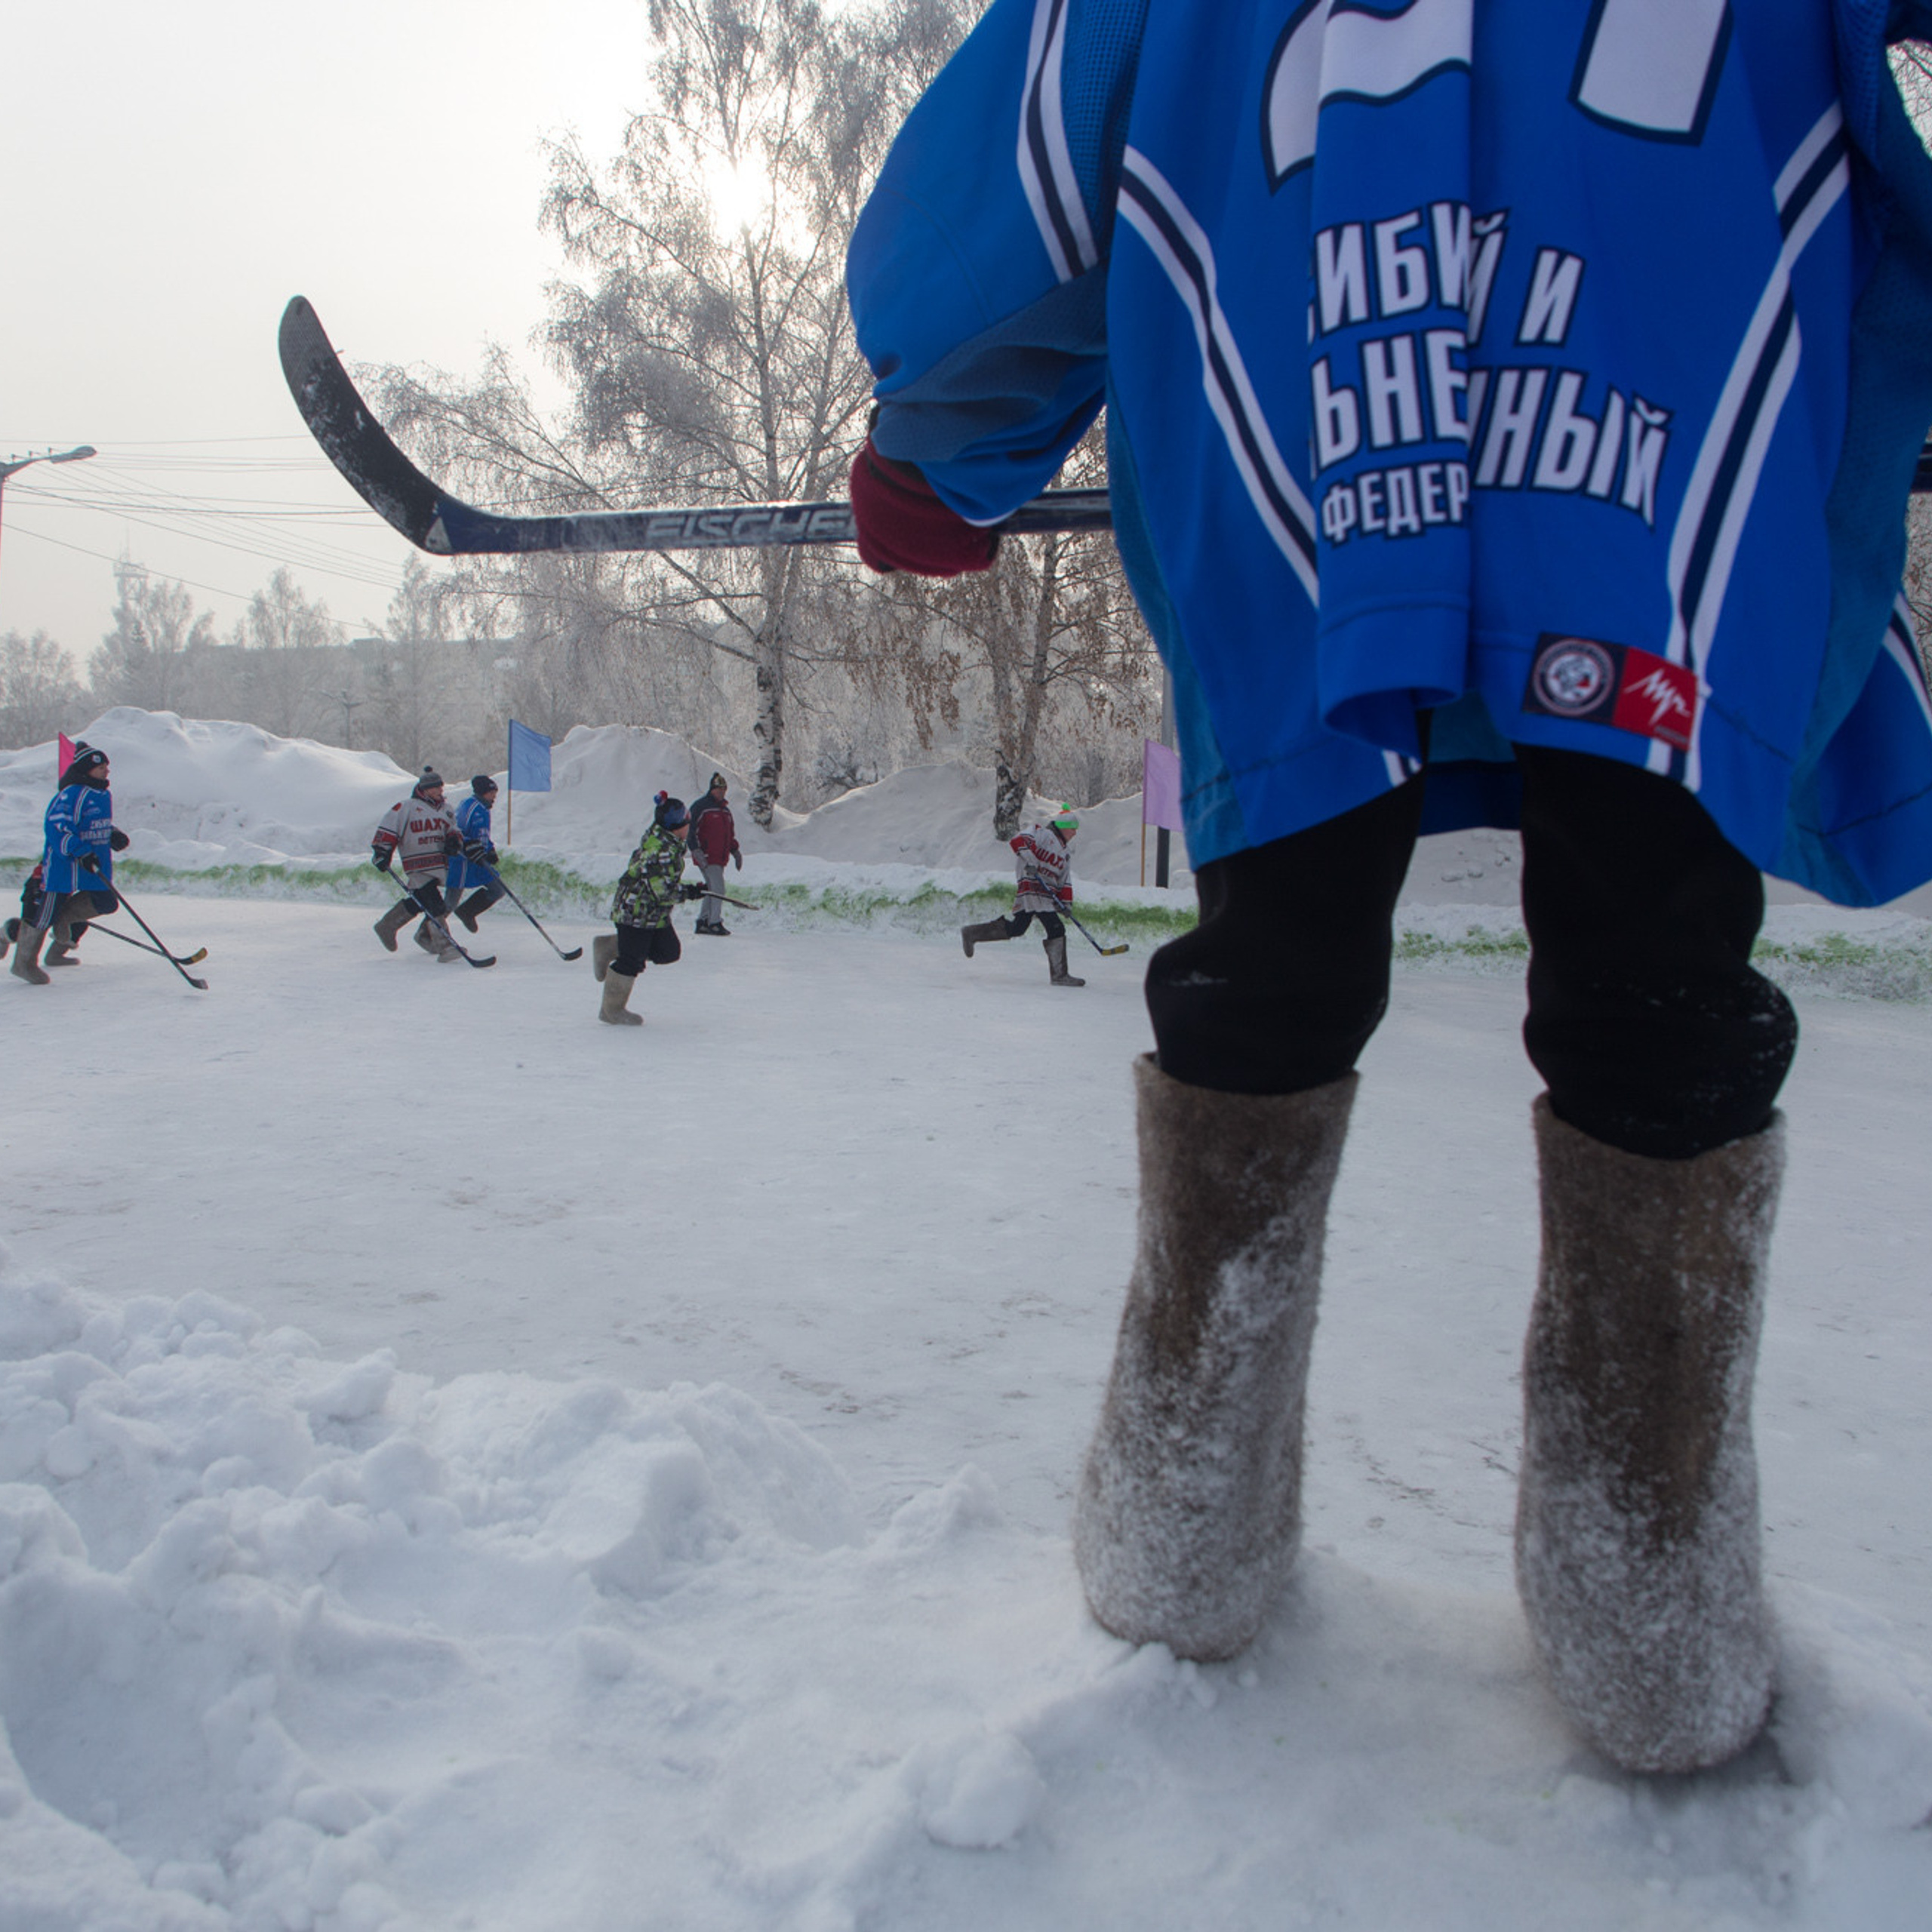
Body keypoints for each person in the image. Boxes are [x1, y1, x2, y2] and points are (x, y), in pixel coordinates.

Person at [842, 2, 1932, 1774]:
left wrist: (943, 447)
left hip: (1309, 411)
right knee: (1654, 973)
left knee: (1269, 951)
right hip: (1659, 432)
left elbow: (1022, 180)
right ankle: (1644, 1595)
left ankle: (1181, 1519)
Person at [12, 745, 126, 986]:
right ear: (86, 769)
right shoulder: (72, 794)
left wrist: (112, 834)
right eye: (101, 767)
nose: (106, 771)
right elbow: (58, 828)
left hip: (93, 862)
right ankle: (24, 963)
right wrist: (80, 851)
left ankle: (62, 926)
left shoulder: (102, 794)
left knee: (105, 901)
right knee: (44, 916)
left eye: (106, 766)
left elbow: (92, 823)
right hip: (65, 866)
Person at [590, 791, 706, 1025]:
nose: (689, 827)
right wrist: (689, 893)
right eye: (687, 823)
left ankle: (610, 946)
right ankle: (612, 1010)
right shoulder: (662, 851)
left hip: (653, 913)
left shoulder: (667, 842)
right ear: (677, 826)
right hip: (635, 911)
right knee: (631, 961)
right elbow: (662, 892)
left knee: (668, 951)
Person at [960, 808, 1086, 987]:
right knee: (1056, 929)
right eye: (1073, 828)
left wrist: (1065, 904)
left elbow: (1064, 880)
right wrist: (1032, 861)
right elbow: (1018, 841)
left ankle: (972, 933)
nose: (1075, 833)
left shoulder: (1065, 853)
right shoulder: (1041, 833)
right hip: (1032, 888)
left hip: (1044, 893)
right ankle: (1059, 975)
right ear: (1064, 826)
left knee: (1018, 928)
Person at [369, 768, 471, 961]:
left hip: (439, 864)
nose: (440, 790)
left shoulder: (447, 809)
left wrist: (454, 840)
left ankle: (389, 926)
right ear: (424, 790)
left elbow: (454, 829)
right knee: (436, 905)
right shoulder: (405, 807)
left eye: (441, 787)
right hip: (417, 865)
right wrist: (382, 852)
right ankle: (445, 947)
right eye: (435, 788)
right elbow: (388, 830)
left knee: (420, 900)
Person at [448, 776, 506, 934]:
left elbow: (482, 835)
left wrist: (490, 849)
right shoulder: (469, 806)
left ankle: (467, 912)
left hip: (479, 860)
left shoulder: (484, 809)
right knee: (450, 902)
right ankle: (427, 930)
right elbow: (456, 832)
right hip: (462, 861)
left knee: (498, 889)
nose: (494, 796)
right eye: (491, 793)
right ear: (482, 792)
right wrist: (469, 846)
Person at [687, 771, 743, 934]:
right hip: (707, 856)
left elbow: (729, 835)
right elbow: (690, 830)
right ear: (712, 789)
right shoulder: (701, 807)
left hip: (720, 856)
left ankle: (703, 920)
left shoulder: (725, 811)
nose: (722, 792)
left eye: (724, 789)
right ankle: (714, 922)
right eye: (719, 789)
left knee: (712, 888)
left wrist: (735, 851)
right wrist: (695, 849)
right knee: (718, 889)